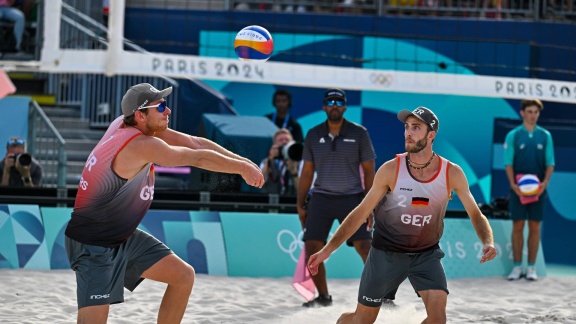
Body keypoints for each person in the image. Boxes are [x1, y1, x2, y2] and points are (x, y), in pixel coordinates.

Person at [64, 83, 264, 323]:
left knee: (182, 276)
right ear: (140, 115)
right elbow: (196, 157)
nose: (167, 111)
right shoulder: (142, 145)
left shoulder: (127, 123)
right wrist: (241, 169)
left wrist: (245, 163)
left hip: (121, 236)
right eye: (160, 106)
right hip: (92, 242)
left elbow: (196, 143)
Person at [308, 106, 497, 323]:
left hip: (426, 254)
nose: (408, 132)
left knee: (438, 319)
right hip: (385, 253)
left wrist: (488, 241)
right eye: (406, 127)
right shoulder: (391, 169)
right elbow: (361, 212)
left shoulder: (451, 172)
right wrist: (328, 250)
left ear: (431, 135)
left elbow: (476, 213)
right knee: (362, 320)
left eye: (416, 127)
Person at [297, 88, 376, 308]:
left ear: (344, 107)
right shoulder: (313, 134)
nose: (334, 105)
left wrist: (369, 204)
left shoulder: (359, 133)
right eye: (330, 101)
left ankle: (379, 294)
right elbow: (306, 173)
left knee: (366, 247)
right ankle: (323, 297)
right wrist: (300, 204)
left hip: (353, 198)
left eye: (338, 102)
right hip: (321, 198)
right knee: (312, 248)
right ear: (324, 106)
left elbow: (370, 171)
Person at [504, 99, 554, 281]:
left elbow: (550, 163)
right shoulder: (514, 135)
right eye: (530, 111)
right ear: (522, 113)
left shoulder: (545, 136)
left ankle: (531, 268)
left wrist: (544, 184)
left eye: (536, 112)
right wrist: (513, 185)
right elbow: (508, 163)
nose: (533, 115)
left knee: (535, 226)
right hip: (518, 189)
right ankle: (517, 267)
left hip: (538, 189)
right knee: (517, 226)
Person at [260, 128, 301, 195]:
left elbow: (303, 190)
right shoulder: (266, 162)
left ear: (292, 142)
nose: (284, 142)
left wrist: (294, 173)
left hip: (292, 202)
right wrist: (270, 159)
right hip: (270, 202)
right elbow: (258, 183)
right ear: (274, 144)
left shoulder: (300, 162)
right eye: (280, 140)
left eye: (287, 140)